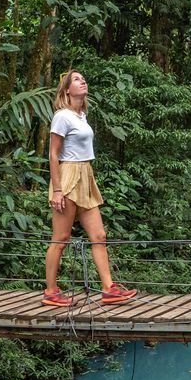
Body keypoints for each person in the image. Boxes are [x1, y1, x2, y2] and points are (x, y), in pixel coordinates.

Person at [42, 70, 137, 307]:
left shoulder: (81, 115)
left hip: (86, 175)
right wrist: (56, 190)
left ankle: (109, 289)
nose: (83, 80)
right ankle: (50, 291)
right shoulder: (62, 116)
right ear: (66, 90)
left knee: (99, 236)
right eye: (76, 79)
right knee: (61, 237)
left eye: (83, 78)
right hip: (68, 175)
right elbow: (53, 154)